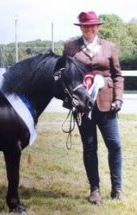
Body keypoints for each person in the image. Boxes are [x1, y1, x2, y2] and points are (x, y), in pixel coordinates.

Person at [63, 11, 124, 204]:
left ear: (98, 27)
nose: (89, 29)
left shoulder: (109, 47)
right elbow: (66, 76)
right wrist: (71, 102)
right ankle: (95, 190)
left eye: (93, 25)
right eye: (85, 26)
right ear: (80, 27)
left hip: (108, 105)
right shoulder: (71, 47)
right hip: (83, 107)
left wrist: (119, 99)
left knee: (114, 145)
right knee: (90, 148)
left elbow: (117, 76)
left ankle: (117, 188)